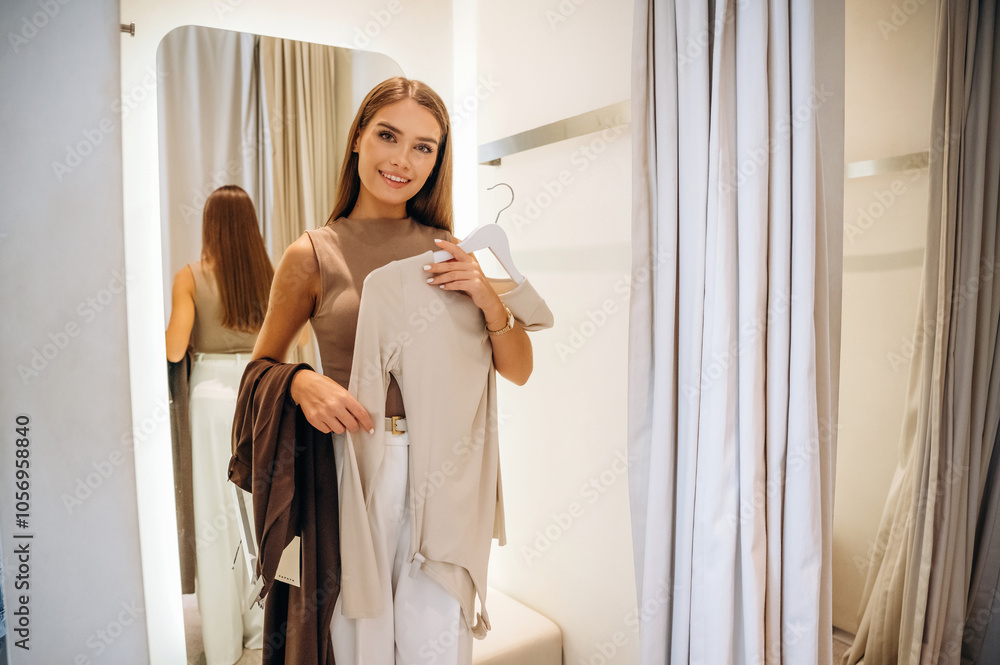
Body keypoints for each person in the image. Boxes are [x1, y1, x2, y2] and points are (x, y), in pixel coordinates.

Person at [249, 76, 542, 665]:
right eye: (388, 136)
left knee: (437, 642)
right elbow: (261, 366)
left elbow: (518, 370)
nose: (402, 160)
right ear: (358, 137)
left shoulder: (448, 251)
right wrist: (300, 382)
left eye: (423, 147)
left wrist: (487, 298)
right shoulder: (313, 254)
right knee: (360, 641)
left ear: (437, 161)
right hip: (354, 467)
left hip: (448, 470)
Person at [165, 184, 272, 665]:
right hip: (261, 392)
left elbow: (174, 348)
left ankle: (223, 645)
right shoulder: (271, 274)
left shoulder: (189, 277)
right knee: (259, 511)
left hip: (210, 397)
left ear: (209, 224)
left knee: (215, 518)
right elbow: (289, 343)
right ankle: (261, 631)